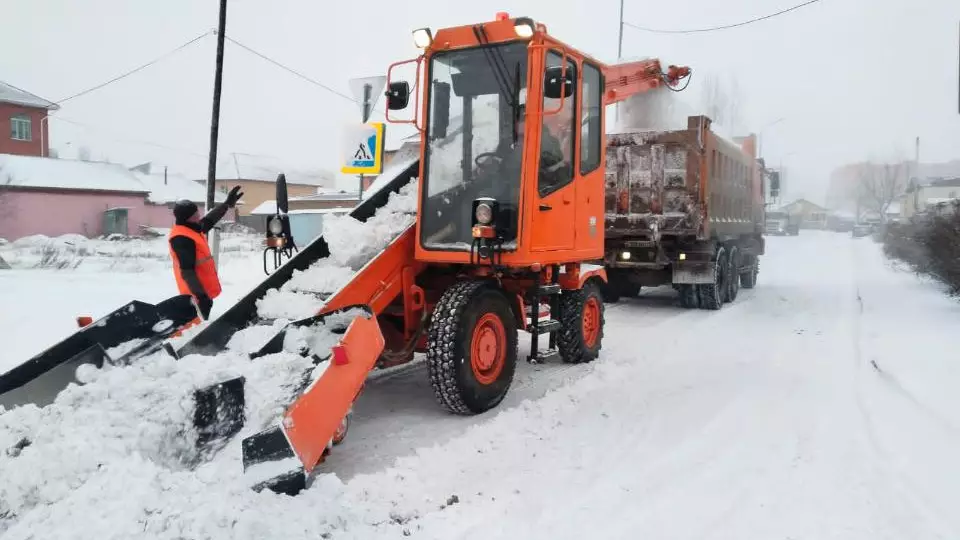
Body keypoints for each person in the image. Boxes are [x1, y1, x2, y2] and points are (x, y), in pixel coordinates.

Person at [168, 186, 243, 320]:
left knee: (202, 325)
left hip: (202, 292)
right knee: (195, 329)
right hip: (195, 296)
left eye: (197, 213)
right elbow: (187, 271)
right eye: (194, 215)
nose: (198, 216)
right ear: (187, 218)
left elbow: (209, 219)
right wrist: (201, 297)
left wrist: (226, 205)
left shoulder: (191, 228)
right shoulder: (181, 238)